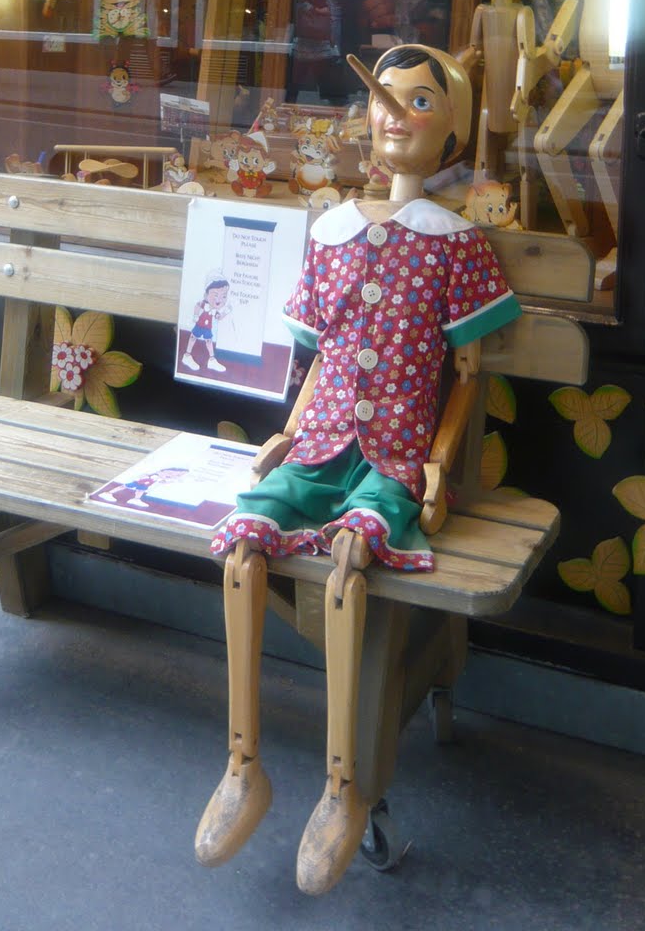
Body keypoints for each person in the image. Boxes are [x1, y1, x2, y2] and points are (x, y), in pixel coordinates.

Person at [196, 45, 519, 894]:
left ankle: (342, 786)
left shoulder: (455, 244)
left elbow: (468, 376)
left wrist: (439, 461)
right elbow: (314, 360)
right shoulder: (332, 229)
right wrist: (286, 434)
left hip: (394, 457)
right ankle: (242, 765)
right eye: (384, 97)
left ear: (452, 128)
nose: (394, 115)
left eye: (420, 101)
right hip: (317, 442)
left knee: (349, 561)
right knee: (243, 545)